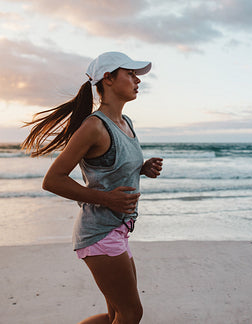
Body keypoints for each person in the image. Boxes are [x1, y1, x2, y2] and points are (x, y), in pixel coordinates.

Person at [22, 51, 163, 324]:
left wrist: (141, 168)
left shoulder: (126, 123)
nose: (138, 81)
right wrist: (107, 199)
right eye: (131, 74)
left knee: (117, 315)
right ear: (108, 79)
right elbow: (53, 179)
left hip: (118, 229)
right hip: (99, 233)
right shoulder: (94, 126)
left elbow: (109, 170)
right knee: (132, 314)